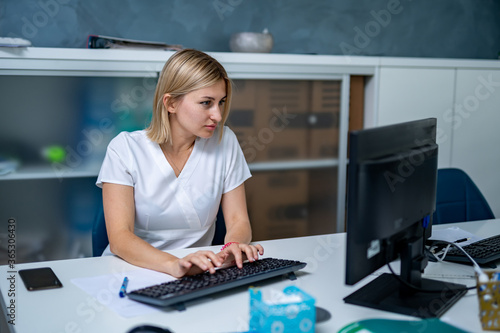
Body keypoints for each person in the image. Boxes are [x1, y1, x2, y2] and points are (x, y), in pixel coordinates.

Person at [96, 49, 263, 278]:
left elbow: (238, 220)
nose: (217, 115)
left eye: (221, 102)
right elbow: (120, 239)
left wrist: (231, 247)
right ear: (171, 103)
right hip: (130, 271)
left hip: (200, 272)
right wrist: (175, 264)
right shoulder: (124, 149)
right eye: (206, 103)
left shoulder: (225, 141)